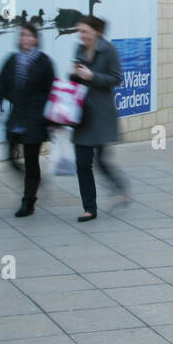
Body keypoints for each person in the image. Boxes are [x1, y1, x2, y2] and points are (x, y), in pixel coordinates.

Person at [0, 22, 55, 218]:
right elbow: (1, 85)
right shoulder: (12, 60)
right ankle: (34, 180)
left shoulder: (44, 62)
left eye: (29, 36)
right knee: (10, 156)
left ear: (36, 39)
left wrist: (53, 118)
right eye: (22, 35)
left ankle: (28, 201)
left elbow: (52, 90)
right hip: (17, 115)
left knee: (31, 159)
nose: (25, 39)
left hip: (36, 117)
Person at [70, 15, 129, 222]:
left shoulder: (108, 50)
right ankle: (89, 208)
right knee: (82, 162)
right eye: (80, 32)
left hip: (101, 113)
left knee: (101, 161)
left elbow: (116, 78)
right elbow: (75, 79)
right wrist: (74, 75)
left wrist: (92, 76)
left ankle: (120, 188)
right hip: (81, 114)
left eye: (85, 31)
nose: (82, 35)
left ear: (96, 31)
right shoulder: (79, 49)